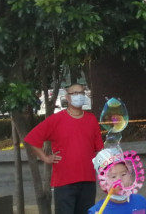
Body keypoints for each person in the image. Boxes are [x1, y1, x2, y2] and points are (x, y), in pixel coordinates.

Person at [24, 83, 103, 214]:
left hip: (88, 180)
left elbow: (99, 148)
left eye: (82, 93)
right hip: (64, 181)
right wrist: (45, 158)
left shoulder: (91, 119)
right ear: (67, 97)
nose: (79, 96)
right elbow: (31, 139)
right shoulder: (56, 119)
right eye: (75, 93)